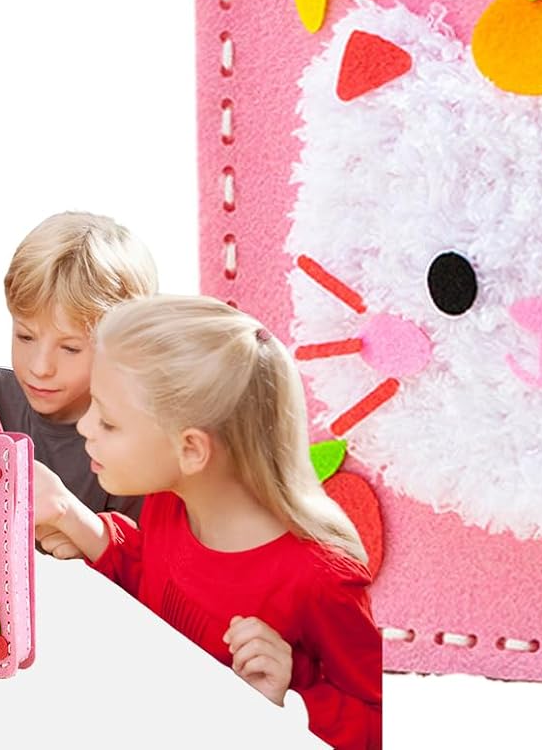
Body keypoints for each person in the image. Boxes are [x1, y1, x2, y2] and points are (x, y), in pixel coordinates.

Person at [35, 295, 382, 749]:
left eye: (109, 422)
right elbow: (155, 583)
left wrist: (289, 696)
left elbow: (374, 720)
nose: (84, 427)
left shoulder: (322, 580)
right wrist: (73, 518)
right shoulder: (170, 502)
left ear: (191, 450)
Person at [0, 210, 157, 523]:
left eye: (70, 348)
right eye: (25, 336)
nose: (40, 367)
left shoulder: (135, 443)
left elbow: (136, 551)